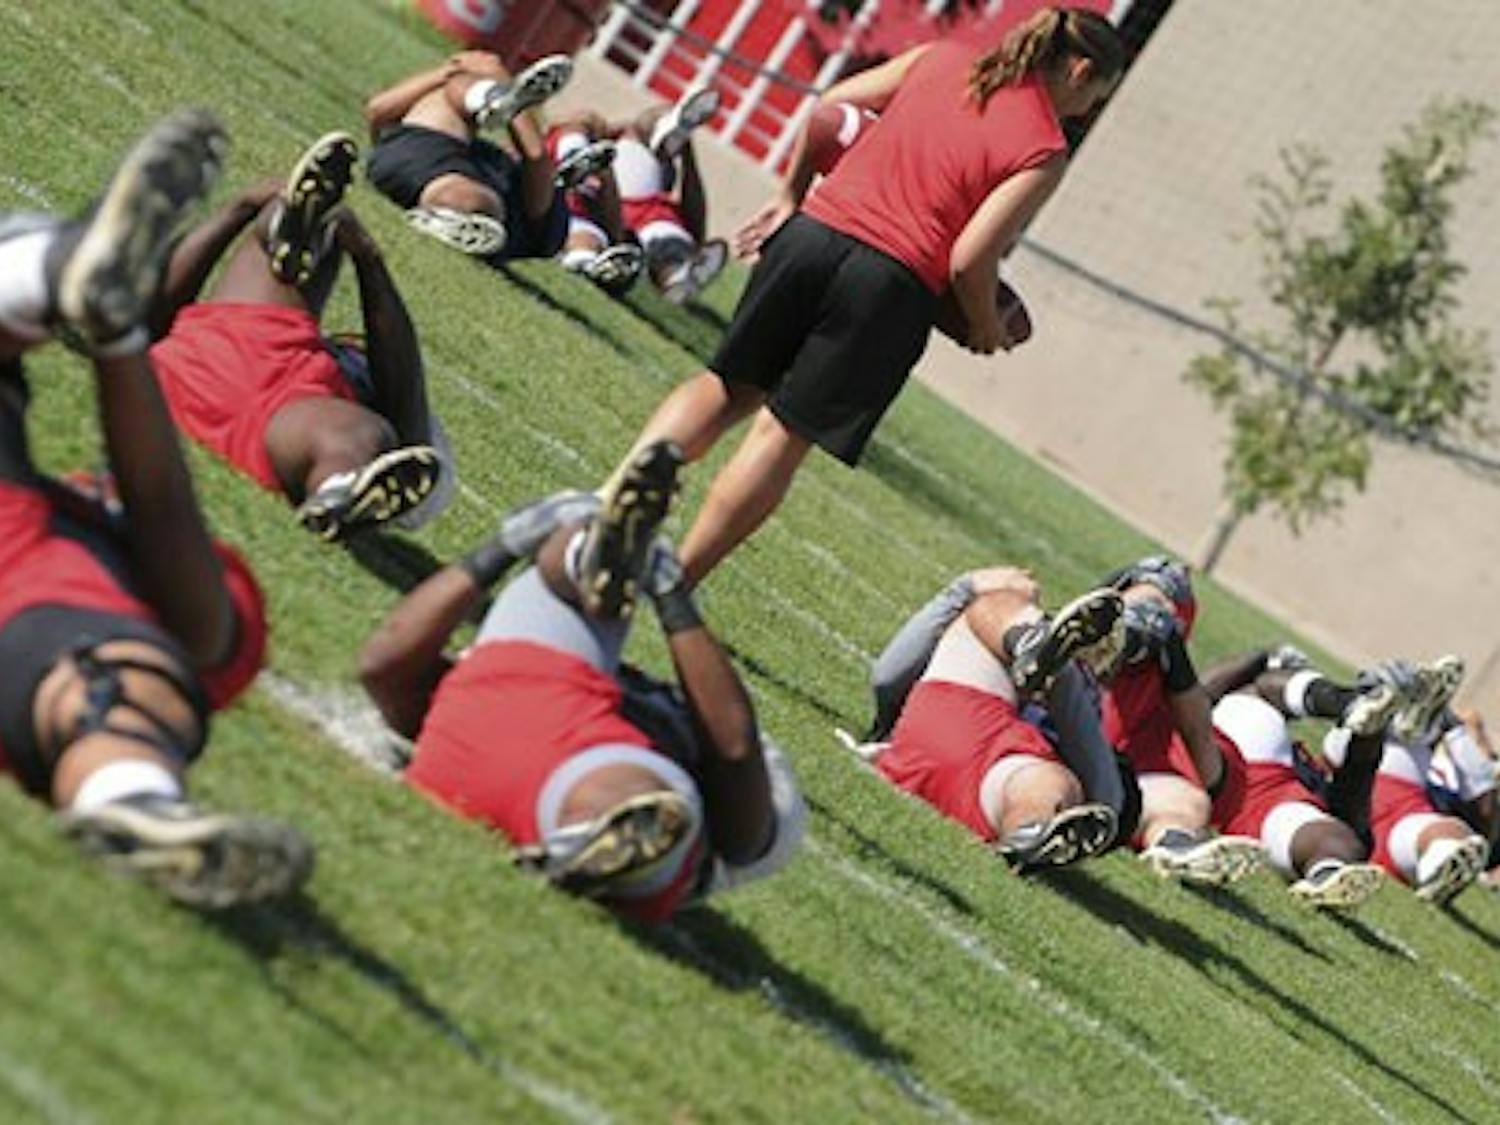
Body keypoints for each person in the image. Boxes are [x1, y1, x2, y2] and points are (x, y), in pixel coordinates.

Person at [610, 8, 1124, 585]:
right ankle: (676, 582)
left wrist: (790, 194)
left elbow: (829, 111)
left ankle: (606, 508)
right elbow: (970, 259)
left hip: (811, 236)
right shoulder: (1044, 150)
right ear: (1079, 70)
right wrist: (984, 324)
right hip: (888, 286)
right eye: (1097, 95)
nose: (1091, 111)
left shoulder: (944, 58)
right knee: (780, 436)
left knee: (725, 387)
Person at [0, 110, 311, 907]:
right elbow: (166, 517)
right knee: (130, 683)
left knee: (143, 666)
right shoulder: (138, 607)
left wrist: (115, 334)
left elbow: (162, 503)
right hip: (73, 643)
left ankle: (46, 264)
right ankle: (135, 801)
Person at [359, 442, 805, 919]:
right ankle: (593, 832)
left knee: (568, 564)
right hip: (574, 765)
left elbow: (380, 666)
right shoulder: (717, 795)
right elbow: (735, 746)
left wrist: (503, 546)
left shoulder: (448, 688)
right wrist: (672, 594)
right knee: (667, 805)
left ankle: (576, 549)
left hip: (480, 721)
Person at [149, 133, 449, 540]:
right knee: (315, 233)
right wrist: (361, 255)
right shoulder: (317, 362)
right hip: (242, 361)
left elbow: (410, 418)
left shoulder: (370, 416)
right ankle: (291, 219)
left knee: (364, 435)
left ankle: (339, 490)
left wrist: (370, 260)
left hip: (232, 387)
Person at [855, 567, 1127, 871]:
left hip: (984, 761)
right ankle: (1027, 642)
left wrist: (962, 589)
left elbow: (1108, 802)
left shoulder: (1094, 744)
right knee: (996, 603)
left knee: (1048, 785)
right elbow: (887, 680)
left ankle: (1030, 835)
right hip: (971, 726)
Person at [1196, 649, 1408, 909]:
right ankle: (1349, 702)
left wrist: (1371, 735)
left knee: (1332, 839)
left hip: (1254, 796)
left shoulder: (1330, 802)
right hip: (1250, 783)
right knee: (1253, 693)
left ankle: (1327, 872)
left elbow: (1354, 794)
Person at [364, 52, 573, 262]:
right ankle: (492, 98)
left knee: (474, 201)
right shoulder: (495, 164)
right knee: (457, 86)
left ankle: (493, 98)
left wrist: (496, 80)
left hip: (419, 161)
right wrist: (454, 72)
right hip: (414, 148)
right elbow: (377, 111)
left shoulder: (533, 218)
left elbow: (536, 157)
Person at [1318, 658, 1492, 904]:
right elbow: (1484, 803)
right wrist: (1455, 730)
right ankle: (1439, 860)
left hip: (1387, 807)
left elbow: (1485, 807)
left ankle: (1441, 862)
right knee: (1443, 830)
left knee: (1444, 833)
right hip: (1382, 798)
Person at [608, 88, 729, 304]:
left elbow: (696, 226)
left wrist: (686, 150)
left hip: (648, 223)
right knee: (668, 240)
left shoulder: (659, 183)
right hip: (640, 217)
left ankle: (676, 274)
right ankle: (676, 274)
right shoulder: (629, 146)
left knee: (667, 239)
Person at [545, 110, 645, 293]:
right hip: (543, 199)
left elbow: (614, 229)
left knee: (587, 239)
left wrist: (605, 170)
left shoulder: (603, 173)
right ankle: (572, 159)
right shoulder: (548, 142)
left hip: (577, 219)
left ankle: (587, 264)